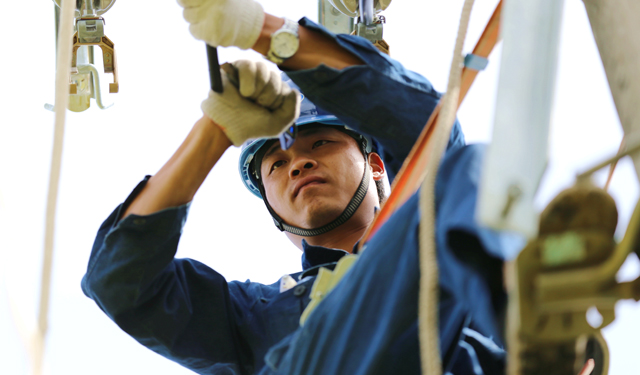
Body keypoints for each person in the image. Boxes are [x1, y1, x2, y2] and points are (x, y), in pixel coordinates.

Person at [82, 0, 522, 374]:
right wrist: (215, 130)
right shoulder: (254, 314)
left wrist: (262, 32)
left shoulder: (441, 240)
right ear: (273, 213)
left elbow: (430, 127)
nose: (298, 164)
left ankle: (529, 316)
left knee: (466, 167)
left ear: (375, 164)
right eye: (275, 165)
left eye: (322, 142)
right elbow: (120, 284)